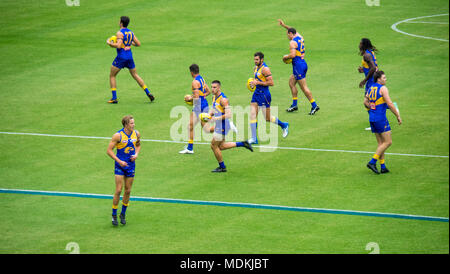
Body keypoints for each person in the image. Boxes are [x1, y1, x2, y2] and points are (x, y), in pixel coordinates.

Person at [203, 80, 253, 172]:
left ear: (219, 88)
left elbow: (229, 114)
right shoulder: (214, 97)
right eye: (212, 87)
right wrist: (209, 115)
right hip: (220, 124)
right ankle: (242, 143)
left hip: (222, 125)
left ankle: (222, 167)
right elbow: (215, 109)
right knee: (221, 146)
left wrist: (215, 119)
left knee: (214, 146)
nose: (212, 89)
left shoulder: (223, 100)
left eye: (215, 87)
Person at [106, 16, 155, 104]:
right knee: (135, 75)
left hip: (121, 57)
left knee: (112, 75)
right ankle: (148, 93)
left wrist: (110, 43)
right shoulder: (130, 32)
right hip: (129, 57)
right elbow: (138, 44)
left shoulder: (119, 33)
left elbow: (118, 45)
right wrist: (128, 43)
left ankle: (114, 98)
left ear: (121, 23)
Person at [278, 19, 320, 115]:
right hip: (303, 64)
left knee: (304, 88)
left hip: (298, 66)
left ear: (290, 34)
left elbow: (292, 55)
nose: (287, 36)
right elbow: (293, 29)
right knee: (291, 83)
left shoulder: (292, 42)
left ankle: (314, 105)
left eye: (287, 34)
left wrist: (285, 57)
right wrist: (284, 25)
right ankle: (294, 105)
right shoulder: (300, 37)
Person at [364, 71, 402, 174]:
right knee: (388, 142)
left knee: (381, 144)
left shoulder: (371, 87)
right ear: (379, 79)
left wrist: (373, 108)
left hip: (372, 118)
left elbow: (365, 102)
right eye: (384, 78)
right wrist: (397, 115)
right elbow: (389, 103)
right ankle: (372, 162)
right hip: (381, 118)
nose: (385, 79)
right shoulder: (383, 88)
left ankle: (383, 166)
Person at [106, 115, 141, 225]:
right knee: (118, 190)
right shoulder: (118, 136)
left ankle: (123, 214)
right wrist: (119, 161)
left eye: (133, 123)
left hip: (131, 165)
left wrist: (136, 154)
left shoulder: (136, 133)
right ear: (126, 125)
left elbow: (138, 145)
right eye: (131, 123)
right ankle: (114, 214)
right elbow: (109, 150)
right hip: (120, 165)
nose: (133, 125)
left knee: (128, 190)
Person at [248, 52, 289, 145]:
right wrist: (252, 84)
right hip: (256, 94)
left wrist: (258, 83)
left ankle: (284, 125)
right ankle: (254, 138)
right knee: (252, 115)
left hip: (264, 95)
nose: (255, 61)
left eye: (257, 60)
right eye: (254, 59)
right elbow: (257, 80)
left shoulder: (265, 69)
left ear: (262, 59)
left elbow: (271, 83)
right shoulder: (255, 68)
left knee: (267, 118)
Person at [179, 64, 211, 154]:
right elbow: (208, 91)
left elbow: (196, 98)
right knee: (206, 129)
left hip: (199, 106)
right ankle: (225, 127)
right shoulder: (202, 79)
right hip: (204, 104)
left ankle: (190, 148)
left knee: (190, 126)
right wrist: (201, 97)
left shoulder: (194, 82)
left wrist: (190, 99)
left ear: (191, 72)